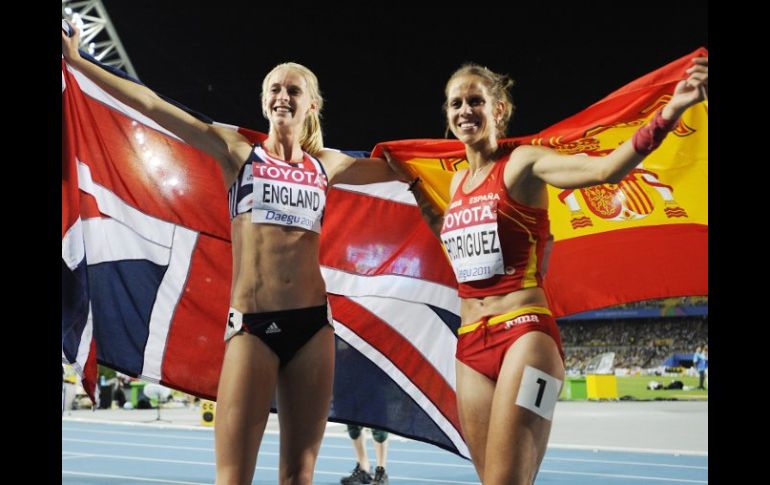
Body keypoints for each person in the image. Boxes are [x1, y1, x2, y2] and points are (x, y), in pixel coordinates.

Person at [62, 23, 400, 485]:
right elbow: (152, 105)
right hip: (253, 328)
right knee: (233, 477)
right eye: (274, 89)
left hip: (314, 328)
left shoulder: (329, 164)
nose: (282, 96)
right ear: (264, 100)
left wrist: (487, 154)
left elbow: (405, 170)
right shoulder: (238, 152)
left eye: (293, 89)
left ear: (312, 104)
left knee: (299, 477)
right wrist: (78, 62)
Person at [384, 58, 708, 484]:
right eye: (456, 103)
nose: (465, 110)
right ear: (447, 114)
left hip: (525, 336)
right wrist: (418, 197)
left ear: (498, 109)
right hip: (470, 347)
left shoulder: (523, 164)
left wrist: (670, 111)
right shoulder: (457, 183)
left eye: (475, 101)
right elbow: (455, 239)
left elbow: (605, 170)